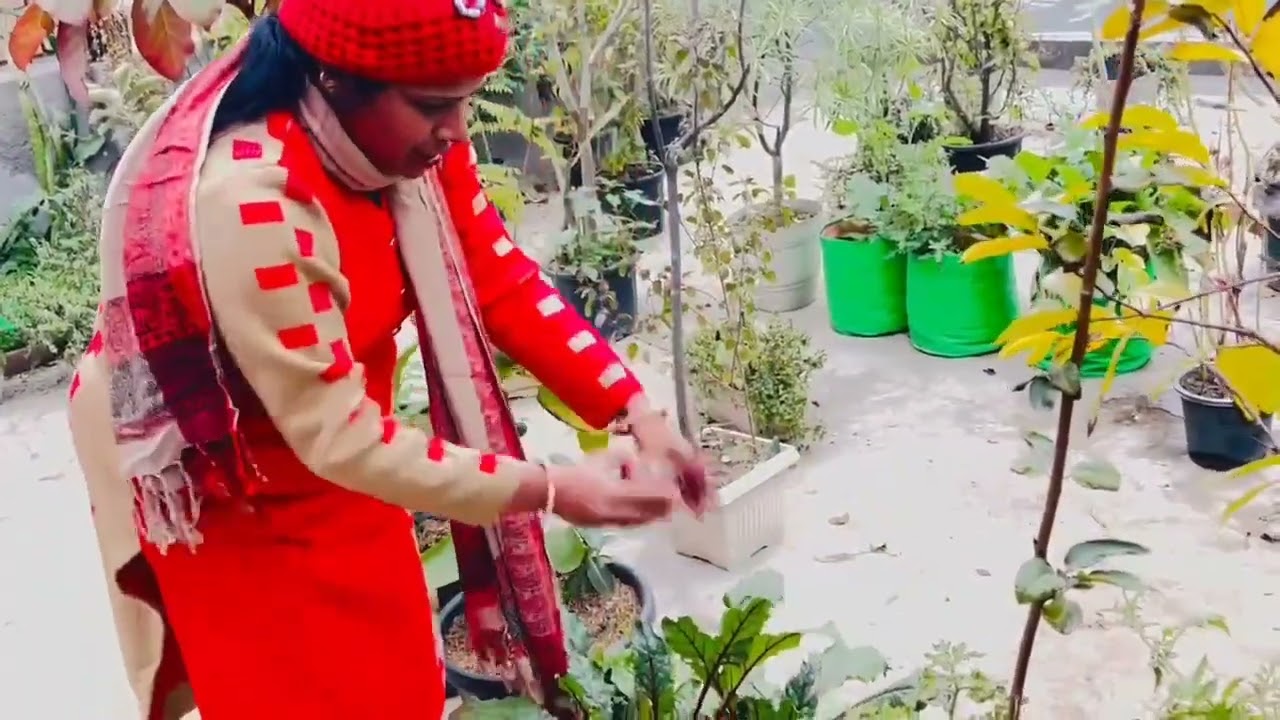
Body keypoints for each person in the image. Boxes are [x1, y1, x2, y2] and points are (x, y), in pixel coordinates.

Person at [65, 1, 709, 718]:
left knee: (402, 677)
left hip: (351, 465)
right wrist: (553, 490)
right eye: (437, 106)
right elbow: (338, 436)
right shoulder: (254, 200)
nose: (458, 131)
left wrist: (636, 411)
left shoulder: (399, 130)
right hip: (242, 502)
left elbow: (494, 275)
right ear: (337, 79)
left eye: (465, 101)